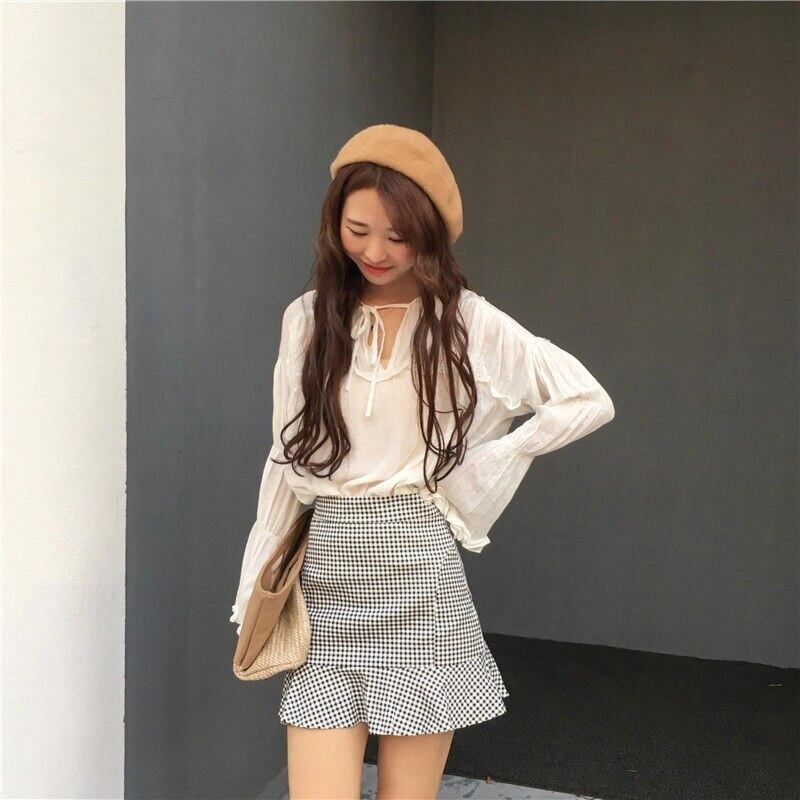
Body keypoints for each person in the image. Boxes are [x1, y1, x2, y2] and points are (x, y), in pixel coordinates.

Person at [229, 123, 616, 799]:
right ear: (334, 224)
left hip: (419, 581)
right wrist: (256, 574)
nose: (375, 252)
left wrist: (486, 463)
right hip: (327, 584)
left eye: (398, 235)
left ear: (430, 234)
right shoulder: (308, 318)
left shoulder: (467, 321)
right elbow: (285, 460)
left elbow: (585, 398)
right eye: (357, 230)